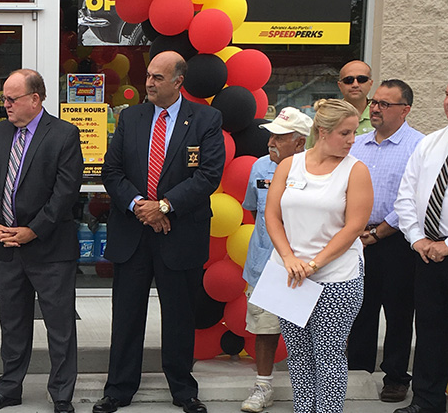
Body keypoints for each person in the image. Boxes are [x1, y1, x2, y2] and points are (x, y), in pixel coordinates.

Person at [94, 51, 225, 413]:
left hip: (179, 233)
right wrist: (141, 206)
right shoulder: (130, 117)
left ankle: (183, 390)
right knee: (126, 315)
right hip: (133, 232)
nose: (148, 83)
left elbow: (208, 175)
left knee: (180, 317)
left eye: (157, 78)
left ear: (179, 82)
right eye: (148, 76)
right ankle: (118, 389)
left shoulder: (206, 119)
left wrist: (164, 206)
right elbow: (112, 171)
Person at [0, 69, 84, 413]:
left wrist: (33, 230)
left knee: (59, 326)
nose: (5, 104)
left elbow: (65, 193)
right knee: (12, 324)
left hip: (50, 248)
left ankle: (61, 394)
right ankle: (9, 388)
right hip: (6, 246)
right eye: (4, 98)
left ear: (35, 99)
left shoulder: (64, 134)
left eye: (12, 99)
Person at [265, 98, 373, 413]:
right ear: (322, 131)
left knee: (328, 354)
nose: (352, 140)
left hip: (337, 277)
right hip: (289, 274)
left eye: (354, 133)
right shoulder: (289, 165)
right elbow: (272, 216)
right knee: (298, 355)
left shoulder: (356, 170)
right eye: (345, 133)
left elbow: (354, 227)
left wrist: (314, 264)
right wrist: (289, 258)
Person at [346, 80, 423, 404]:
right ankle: (358, 372)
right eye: (374, 102)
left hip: (397, 242)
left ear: (405, 110)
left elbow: (414, 199)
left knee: (398, 311)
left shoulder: (418, 146)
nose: (375, 108)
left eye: (384, 104)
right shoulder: (357, 144)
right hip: (356, 239)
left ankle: (395, 377)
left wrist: (379, 232)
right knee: (359, 308)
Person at [239, 107, 313, 413]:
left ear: (300, 142)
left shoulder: (316, 170)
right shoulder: (259, 167)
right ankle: (263, 386)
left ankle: (309, 390)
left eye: (279, 137)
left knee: (307, 333)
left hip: (305, 266)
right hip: (264, 264)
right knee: (265, 328)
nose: (271, 141)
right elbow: (255, 211)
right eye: (271, 135)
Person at [393, 82, 448, 413]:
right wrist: (417, 239)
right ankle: (427, 401)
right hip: (427, 255)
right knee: (429, 332)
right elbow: (406, 195)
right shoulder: (431, 143)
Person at [337, 60, 374, 136]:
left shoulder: (382, 114)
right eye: (348, 80)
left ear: (370, 83)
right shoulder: (329, 115)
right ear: (340, 85)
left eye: (361, 79)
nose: (355, 85)